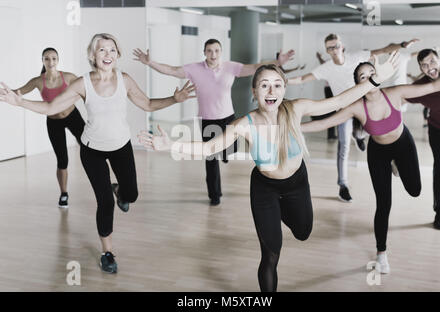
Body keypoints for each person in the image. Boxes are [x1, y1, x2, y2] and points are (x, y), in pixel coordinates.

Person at [137, 54, 398, 291]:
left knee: (303, 231)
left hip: (297, 183)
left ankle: (281, 211)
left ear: (284, 89)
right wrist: (170, 145)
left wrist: (375, 80)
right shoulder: (244, 125)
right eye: (264, 85)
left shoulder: (296, 109)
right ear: (254, 92)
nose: (271, 90)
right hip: (264, 189)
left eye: (277, 84)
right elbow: (209, 148)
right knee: (271, 255)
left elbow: (340, 100)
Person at [0, 33, 196, 273]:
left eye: (112, 50)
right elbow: (51, 107)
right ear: (93, 55)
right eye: (102, 50)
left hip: (121, 146)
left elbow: (147, 104)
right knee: (104, 203)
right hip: (92, 150)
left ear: (118, 54)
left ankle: (119, 190)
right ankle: (107, 252)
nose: (108, 54)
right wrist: (20, 102)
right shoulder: (82, 83)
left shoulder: (125, 79)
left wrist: (174, 99)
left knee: (131, 195)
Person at [301, 60, 440, 274]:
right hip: (379, 152)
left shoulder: (395, 92)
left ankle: (396, 164)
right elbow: (324, 123)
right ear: (359, 84)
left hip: (403, 144)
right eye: (363, 76)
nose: (370, 78)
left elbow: (434, 86)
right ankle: (381, 254)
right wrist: (292, 128)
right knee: (383, 204)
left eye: (373, 72)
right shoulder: (357, 106)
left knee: (415, 190)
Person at [133, 39, 295, 206]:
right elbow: (172, 70)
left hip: (228, 118)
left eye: (216, 50)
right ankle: (214, 195)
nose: (213, 54)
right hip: (207, 119)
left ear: (221, 52)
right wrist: (149, 62)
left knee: (230, 149)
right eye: (209, 51)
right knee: (210, 159)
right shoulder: (194, 69)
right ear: (204, 52)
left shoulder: (231, 67)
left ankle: (224, 154)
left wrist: (278, 62)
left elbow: (254, 67)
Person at [288, 34, 419, 203]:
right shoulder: (326, 68)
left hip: (365, 107)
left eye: (336, 46)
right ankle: (343, 185)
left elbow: (384, 50)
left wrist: (402, 44)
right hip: (346, 111)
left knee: (374, 131)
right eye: (330, 48)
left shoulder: (356, 57)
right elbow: (301, 78)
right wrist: (282, 81)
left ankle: (363, 138)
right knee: (344, 146)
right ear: (327, 51)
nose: (334, 50)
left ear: (342, 46)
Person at [12, 48, 85, 209]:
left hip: (73, 117)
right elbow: (18, 92)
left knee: (90, 148)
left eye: (53, 58)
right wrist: (5, 93)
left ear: (58, 60)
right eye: (47, 59)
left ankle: (107, 183)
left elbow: (87, 89)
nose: (50, 62)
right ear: (43, 61)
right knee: (62, 160)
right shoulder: (38, 81)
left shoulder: (68, 77)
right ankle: (64, 194)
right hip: (54, 122)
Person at [406, 49, 440, 230]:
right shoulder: (421, 87)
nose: (429, 67)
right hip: (439, 131)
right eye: (424, 65)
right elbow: (400, 96)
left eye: (432, 62)